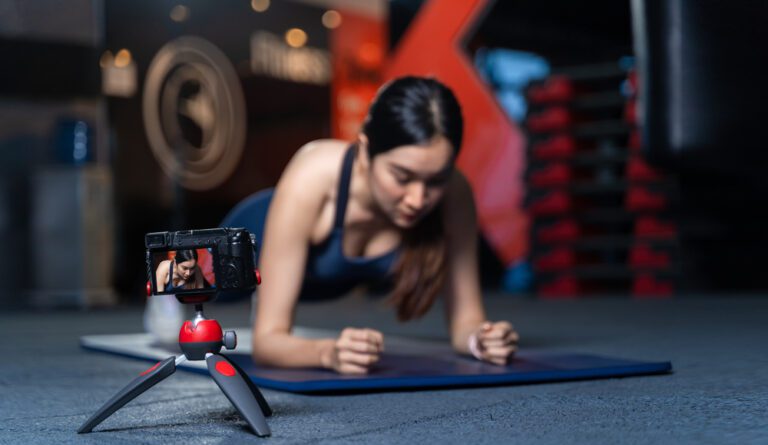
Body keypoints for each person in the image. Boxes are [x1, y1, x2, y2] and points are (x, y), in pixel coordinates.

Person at [249, 76, 519, 374]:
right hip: (242, 254)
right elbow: (267, 341)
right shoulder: (314, 175)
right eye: (402, 177)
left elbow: (466, 322)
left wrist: (480, 340)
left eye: (436, 180)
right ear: (365, 151)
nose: (418, 199)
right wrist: (327, 353)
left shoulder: (455, 193)